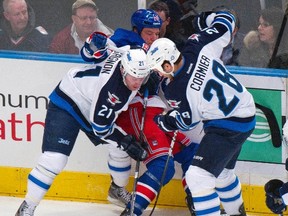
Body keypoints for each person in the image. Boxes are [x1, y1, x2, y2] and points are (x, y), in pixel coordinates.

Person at [81, 9, 201, 216]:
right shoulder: (123, 39)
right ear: (136, 30)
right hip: (135, 107)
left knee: (193, 153)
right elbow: (91, 56)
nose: (154, 38)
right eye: (148, 34)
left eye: (157, 33)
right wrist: (92, 47)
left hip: (156, 107)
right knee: (162, 165)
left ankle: (197, 204)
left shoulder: (161, 46)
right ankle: (132, 211)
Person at [15, 47, 150, 216]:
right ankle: (27, 206)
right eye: (134, 76)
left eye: (142, 76)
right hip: (69, 100)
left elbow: (111, 46)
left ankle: (117, 188)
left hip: (92, 100)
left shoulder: (130, 59)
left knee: (119, 148)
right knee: (55, 160)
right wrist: (126, 142)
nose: (137, 82)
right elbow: (100, 127)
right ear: (123, 70)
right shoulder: (113, 91)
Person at [147, 10, 256, 216]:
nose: (157, 73)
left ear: (168, 64)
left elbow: (185, 121)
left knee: (197, 177)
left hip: (227, 125)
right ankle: (237, 213)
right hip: (246, 112)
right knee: (223, 173)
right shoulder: (197, 45)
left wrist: (165, 121)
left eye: (158, 68)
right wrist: (201, 20)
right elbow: (227, 19)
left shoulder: (178, 90)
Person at [49, 0, 113, 54]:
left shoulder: (110, 38)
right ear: (74, 19)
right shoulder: (61, 39)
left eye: (92, 17)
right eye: (84, 18)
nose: (89, 22)